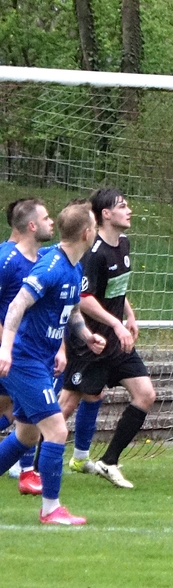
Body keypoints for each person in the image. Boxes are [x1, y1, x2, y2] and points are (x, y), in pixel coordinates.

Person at [0, 201, 106, 524]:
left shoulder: (74, 267)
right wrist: (6, 349)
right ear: (87, 233)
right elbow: (17, 305)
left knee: (27, 436)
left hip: (42, 359)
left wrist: (86, 335)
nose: (96, 232)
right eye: (95, 227)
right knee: (56, 430)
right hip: (25, 360)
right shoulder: (51, 267)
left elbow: (71, 311)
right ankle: (50, 509)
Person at [59, 188, 156, 489]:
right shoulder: (95, 252)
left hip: (116, 341)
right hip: (89, 341)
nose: (129, 210)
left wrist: (129, 316)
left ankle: (109, 461)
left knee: (145, 395)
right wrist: (116, 324)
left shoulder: (123, 243)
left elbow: (116, 288)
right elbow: (83, 298)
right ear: (106, 214)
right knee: (65, 405)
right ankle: (31, 465)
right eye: (122, 206)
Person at [0, 199, 55, 494]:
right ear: (31, 225)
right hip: (10, 353)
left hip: (27, 353)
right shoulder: (7, 260)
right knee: (33, 421)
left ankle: (26, 473)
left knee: (24, 422)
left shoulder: (44, 260)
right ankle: (30, 477)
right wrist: (5, 346)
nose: (52, 222)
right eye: (46, 218)